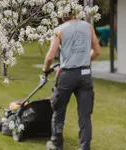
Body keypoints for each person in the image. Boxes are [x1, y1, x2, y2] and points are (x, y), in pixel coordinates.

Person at [43, 15, 101, 150]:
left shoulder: (59, 30)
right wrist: (84, 61)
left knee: (58, 109)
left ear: (61, 15)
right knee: (85, 115)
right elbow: (97, 51)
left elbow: (51, 56)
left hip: (67, 75)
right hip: (85, 75)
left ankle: (57, 144)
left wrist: (45, 69)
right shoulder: (88, 27)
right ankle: (85, 147)